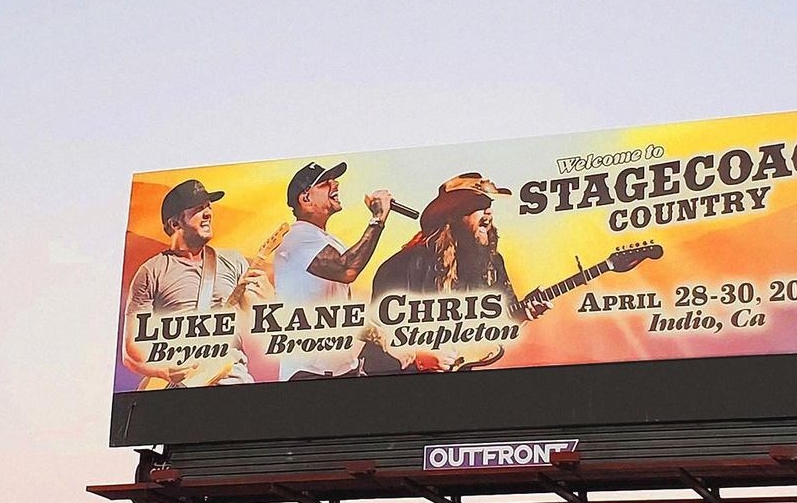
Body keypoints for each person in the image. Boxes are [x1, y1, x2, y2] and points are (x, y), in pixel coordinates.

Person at [365, 172, 549, 373]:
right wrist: (418, 356)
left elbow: (500, 320)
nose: (488, 212)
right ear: (452, 215)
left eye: (489, 204)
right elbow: (371, 329)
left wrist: (521, 314)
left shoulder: (492, 263)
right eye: (478, 205)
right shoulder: (406, 264)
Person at [123, 178, 268, 386]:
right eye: (198, 209)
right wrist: (163, 371)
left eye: (208, 207)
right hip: (183, 387)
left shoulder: (234, 261)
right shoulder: (151, 272)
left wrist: (267, 298)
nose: (208, 213)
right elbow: (131, 352)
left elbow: (260, 328)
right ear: (175, 224)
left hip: (231, 380)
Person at [273, 161, 394, 380]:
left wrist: (377, 334)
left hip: (343, 369)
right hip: (308, 372)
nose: (335, 184)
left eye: (333, 180)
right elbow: (347, 269)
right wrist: (377, 219)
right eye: (324, 183)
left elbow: (337, 308)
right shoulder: (296, 236)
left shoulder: (328, 241)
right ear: (305, 198)